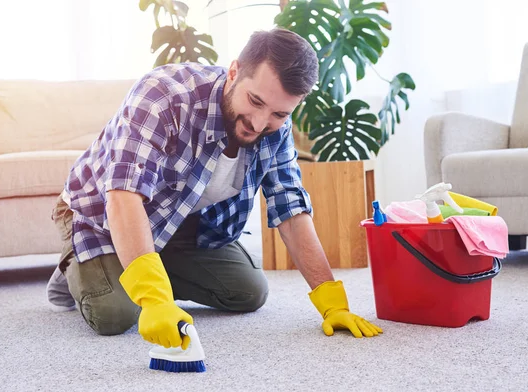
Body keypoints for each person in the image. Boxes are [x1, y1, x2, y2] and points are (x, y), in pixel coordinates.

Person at [47, 28, 382, 350]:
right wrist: (154, 298)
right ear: (234, 71)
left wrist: (331, 301)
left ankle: (141, 266)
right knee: (114, 314)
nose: (260, 123)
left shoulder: (274, 127)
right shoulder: (164, 95)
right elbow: (123, 196)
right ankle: (83, 267)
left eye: (279, 113)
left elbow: (291, 210)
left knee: (248, 293)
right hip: (97, 214)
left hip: (177, 224)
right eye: (255, 101)